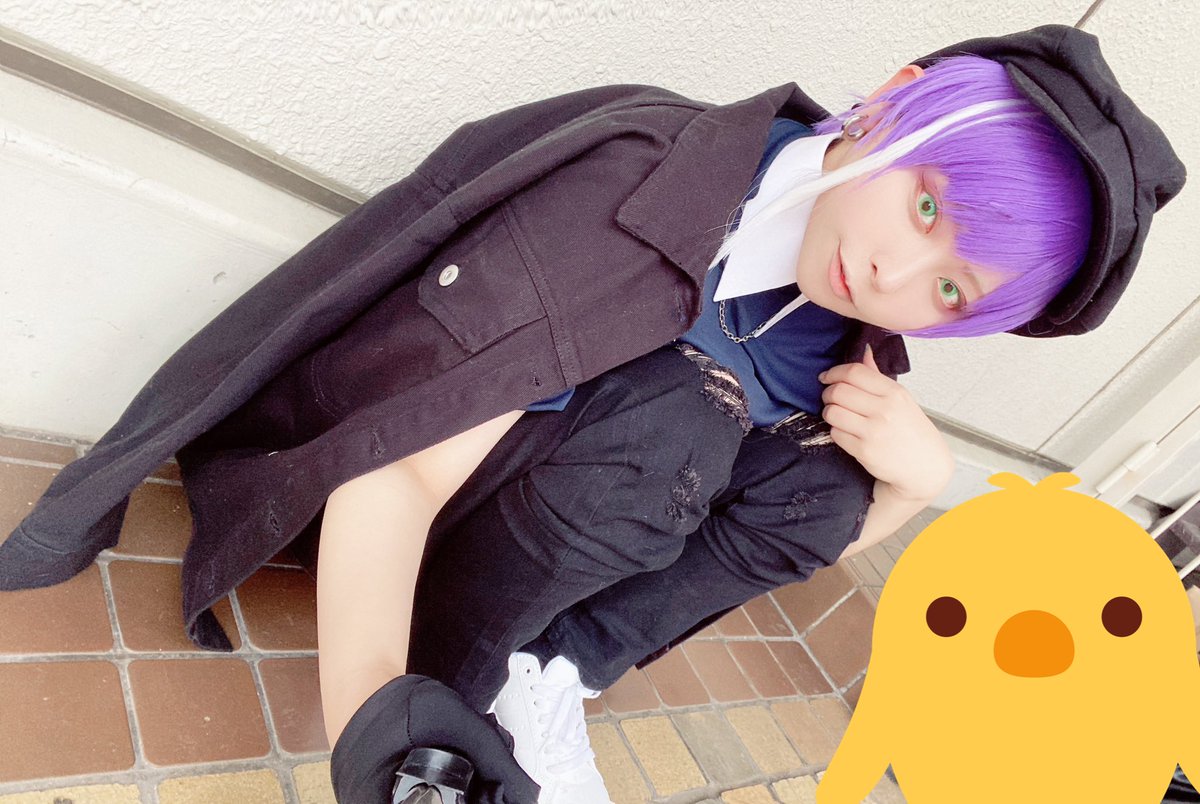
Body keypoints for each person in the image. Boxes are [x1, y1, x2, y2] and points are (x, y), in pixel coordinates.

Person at [0, 23, 1184, 804]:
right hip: (416, 488)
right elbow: (401, 466)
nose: (893, 276)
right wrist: (380, 721)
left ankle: (546, 670)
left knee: (827, 475)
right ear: (894, 101)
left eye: (952, 291)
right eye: (926, 207)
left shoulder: (846, 341)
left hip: (558, 528)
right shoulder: (640, 179)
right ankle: (459, 686)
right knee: (675, 427)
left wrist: (915, 484)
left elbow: (782, 546)